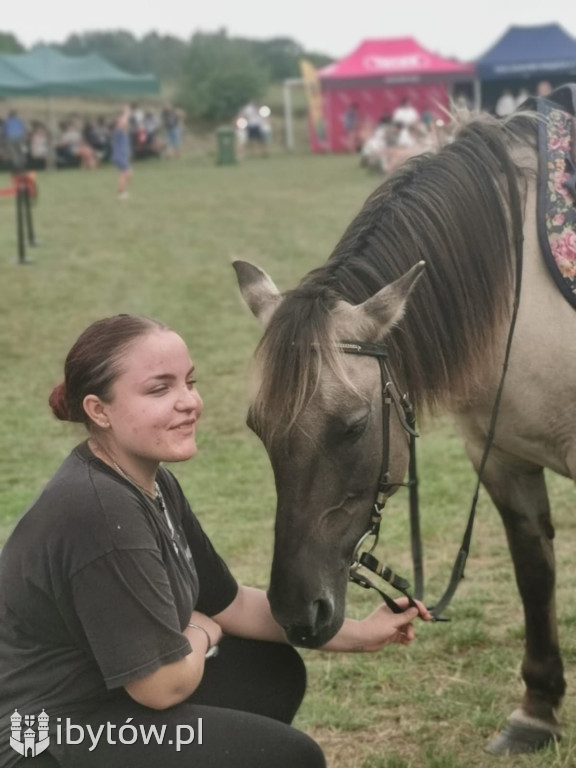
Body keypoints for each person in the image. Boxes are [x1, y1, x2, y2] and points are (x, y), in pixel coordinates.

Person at [0, 314, 430, 768]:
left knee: (267, 670)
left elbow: (233, 605)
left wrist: (360, 632)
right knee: (291, 758)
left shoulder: (149, 482)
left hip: (100, 703)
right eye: (159, 389)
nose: (189, 402)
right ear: (98, 410)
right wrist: (199, 633)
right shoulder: (101, 512)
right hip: (38, 739)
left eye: (189, 381)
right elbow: (161, 686)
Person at [111, 106, 132, 199]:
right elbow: (123, 123)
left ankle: (122, 191)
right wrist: (126, 113)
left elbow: (124, 123)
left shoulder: (121, 132)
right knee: (125, 173)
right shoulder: (119, 131)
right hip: (119, 156)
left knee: (128, 174)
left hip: (122, 155)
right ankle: (121, 193)